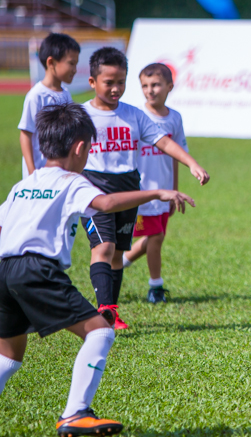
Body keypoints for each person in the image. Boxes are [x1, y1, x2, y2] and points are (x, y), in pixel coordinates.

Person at [0, 103, 195, 436]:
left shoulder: (24, 185)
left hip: (7, 272)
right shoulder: (72, 182)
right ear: (80, 148)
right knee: (101, 331)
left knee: (6, 358)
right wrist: (158, 191)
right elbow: (105, 204)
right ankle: (75, 413)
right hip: (38, 271)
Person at [81, 47, 209, 329]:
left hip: (128, 188)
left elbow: (163, 141)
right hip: (94, 189)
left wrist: (191, 164)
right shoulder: (81, 115)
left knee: (116, 254)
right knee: (104, 248)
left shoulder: (134, 115)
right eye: (109, 83)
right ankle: (103, 310)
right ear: (92, 82)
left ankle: (111, 313)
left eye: (121, 83)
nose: (116, 89)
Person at [122, 63, 187, 304]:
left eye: (156, 84)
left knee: (155, 236)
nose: (150, 90)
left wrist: (175, 190)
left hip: (165, 191)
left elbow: (176, 155)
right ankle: (155, 287)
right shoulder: (137, 117)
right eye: (145, 86)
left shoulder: (175, 118)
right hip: (144, 193)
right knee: (156, 236)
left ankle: (119, 263)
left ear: (170, 86)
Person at [19, 33, 79, 179]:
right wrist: (32, 170)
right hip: (39, 172)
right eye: (71, 63)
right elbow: (26, 134)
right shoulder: (36, 96)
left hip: (60, 171)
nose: (75, 69)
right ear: (51, 63)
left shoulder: (66, 94)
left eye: (76, 64)